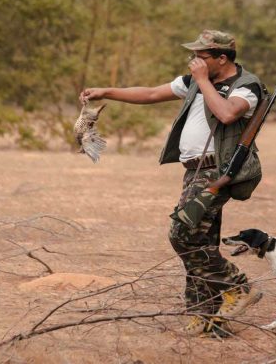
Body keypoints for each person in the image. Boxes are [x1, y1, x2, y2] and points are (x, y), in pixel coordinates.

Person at [80, 30, 265, 337]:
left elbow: (227, 114)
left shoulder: (246, 85)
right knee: (201, 242)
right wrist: (106, 91)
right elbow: (151, 94)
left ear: (222, 58)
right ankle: (207, 316)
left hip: (218, 170)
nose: (194, 62)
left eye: (201, 57)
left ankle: (238, 286)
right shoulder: (195, 81)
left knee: (181, 233)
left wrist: (203, 80)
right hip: (193, 171)